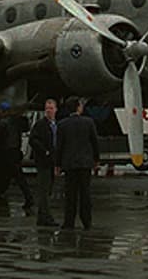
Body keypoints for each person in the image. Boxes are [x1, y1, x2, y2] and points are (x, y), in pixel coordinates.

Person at [55, 97, 100, 230]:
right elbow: (94, 142)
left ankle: (69, 222)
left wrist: (57, 164)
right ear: (78, 107)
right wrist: (96, 160)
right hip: (85, 163)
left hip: (69, 164)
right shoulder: (89, 122)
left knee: (70, 195)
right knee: (85, 194)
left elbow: (59, 146)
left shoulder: (62, 124)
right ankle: (87, 221)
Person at [0, 101, 34, 210]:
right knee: (18, 176)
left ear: (2, 111)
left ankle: (29, 198)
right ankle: (28, 197)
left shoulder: (2, 123)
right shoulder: (16, 122)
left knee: (4, 174)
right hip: (16, 151)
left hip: (6, 152)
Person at [29, 98, 59, 226]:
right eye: (47, 109)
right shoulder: (40, 124)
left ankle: (42, 217)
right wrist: (44, 151)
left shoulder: (55, 125)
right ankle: (46, 217)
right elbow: (33, 139)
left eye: (51, 108)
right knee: (44, 190)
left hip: (52, 161)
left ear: (56, 110)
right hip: (44, 162)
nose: (49, 111)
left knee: (48, 189)